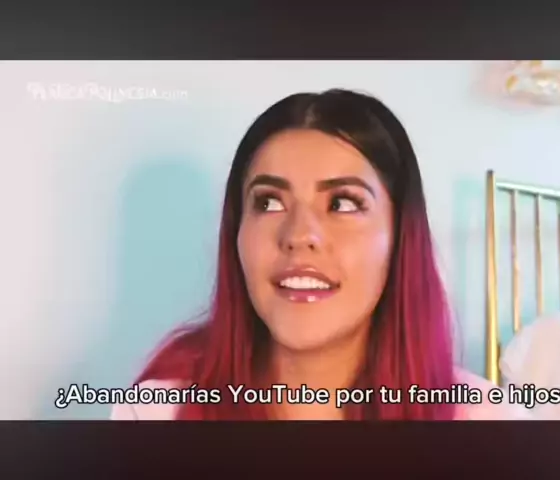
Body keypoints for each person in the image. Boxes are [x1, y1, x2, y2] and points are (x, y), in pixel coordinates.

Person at [110, 88, 528, 421]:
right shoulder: (157, 411)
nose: (299, 235)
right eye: (269, 202)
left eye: (343, 203)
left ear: (401, 237)